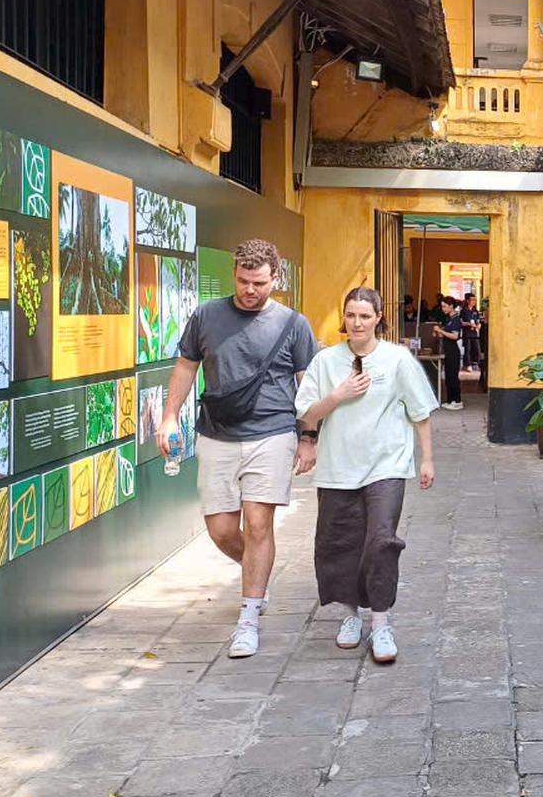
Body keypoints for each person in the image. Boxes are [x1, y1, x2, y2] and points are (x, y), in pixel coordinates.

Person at [160, 239, 318, 658]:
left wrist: (308, 437)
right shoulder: (207, 315)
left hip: (272, 432)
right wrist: (169, 416)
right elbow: (186, 367)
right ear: (234, 275)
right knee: (222, 529)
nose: (250, 289)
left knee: (259, 523)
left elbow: (307, 386)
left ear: (275, 278)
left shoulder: (293, 324)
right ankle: (257, 572)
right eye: (244, 281)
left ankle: (248, 616)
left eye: (259, 282)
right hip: (217, 433)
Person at [295, 287, 437, 664]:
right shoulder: (325, 361)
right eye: (351, 315)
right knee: (342, 543)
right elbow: (307, 415)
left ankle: (381, 622)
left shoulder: (397, 359)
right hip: (338, 467)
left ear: (378, 318)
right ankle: (351, 616)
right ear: (343, 318)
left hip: (386, 465)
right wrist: (338, 394)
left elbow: (420, 411)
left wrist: (427, 459)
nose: (357, 323)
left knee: (381, 541)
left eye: (364, 316)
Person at [430, 296, 463, 410]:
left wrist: (441, 331)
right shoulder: (449, 319)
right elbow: (445, 335)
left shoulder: (456, 319)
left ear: (451, 306)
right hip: (447, 350)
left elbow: (455, 336)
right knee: (448, 376)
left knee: (453, 376)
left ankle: (457, 401)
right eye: (442, 306)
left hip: (453, 351)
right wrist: (438, 333)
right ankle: (450, 400)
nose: (443, 309)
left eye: (444, 306)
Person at [458, 294, 483, 372]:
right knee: (468, 349)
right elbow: (461, 322)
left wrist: (478, 325)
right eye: (472, 300)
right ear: (467, 301)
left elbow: (478, 321)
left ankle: (477, 363)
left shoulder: (475, 311)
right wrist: (468, 324)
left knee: (477, 349)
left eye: (475, 300)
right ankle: (468, 365)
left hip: (475, 333)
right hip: (467, 333)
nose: (474, 301)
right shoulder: (463, 311)